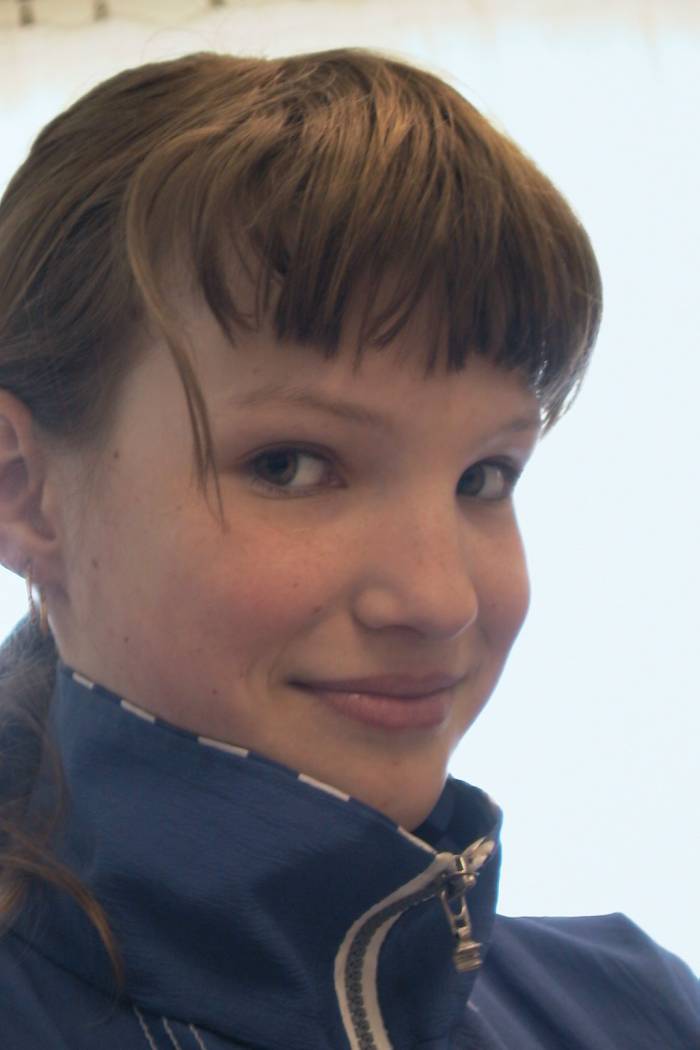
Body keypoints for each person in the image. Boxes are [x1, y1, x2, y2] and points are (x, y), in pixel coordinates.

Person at [0, 47, 696, 1050]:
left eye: (483, 477)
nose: (441, 600)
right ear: (24, 490)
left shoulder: (638, 1011)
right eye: (292, 465)